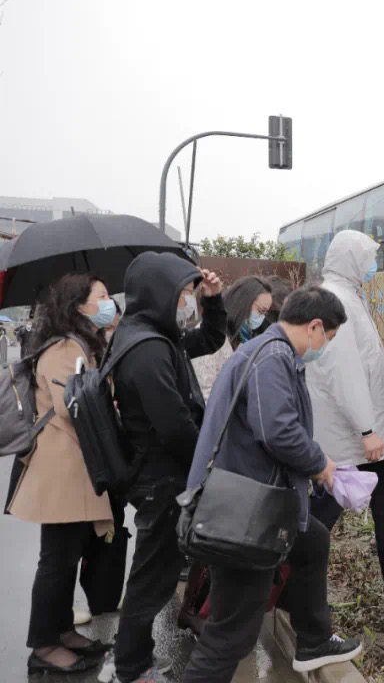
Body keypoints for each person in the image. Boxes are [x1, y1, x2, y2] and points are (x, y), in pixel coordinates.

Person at [180, 286, 361, 682]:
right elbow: (278, 431)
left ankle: (313, 639)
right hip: (248, 515)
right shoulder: (274, 356)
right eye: (327, 338)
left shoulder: (266, 350)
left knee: (312, 540)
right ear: (314, 326)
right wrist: (322, 465)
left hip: (258, 500)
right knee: (230, 635)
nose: (324, 346)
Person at [101, 253, 226, 683]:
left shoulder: (153, 335)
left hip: (159, 474)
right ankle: (132, 667)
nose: (186, 302)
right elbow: (173, 424)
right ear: (159, 294)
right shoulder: (147, 348)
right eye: (183, 294)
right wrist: (207, 461)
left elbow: (209, 339)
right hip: (161, 478)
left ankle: (134, 658)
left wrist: (213, 299)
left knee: (153, 574)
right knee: (151, 580)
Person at [7, 274, 117, 675]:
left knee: (67, 555)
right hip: (60, 467)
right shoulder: (64, 347)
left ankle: (63, 629)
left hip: (72, 465)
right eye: (102, 297)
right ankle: (44, 644)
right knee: (55, 560)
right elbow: (70, 405)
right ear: (78, 306)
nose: (109, 303)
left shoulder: (80, 343)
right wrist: (105, 394)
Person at [304, 230, 384, 592]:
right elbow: (345, 372)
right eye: (369, 258)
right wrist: (366, 430)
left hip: (358, 431)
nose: (374, 266)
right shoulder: (338, 301)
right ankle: (285, 583)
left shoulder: (346, 295)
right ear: (352, 259)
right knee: (325, 510)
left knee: (378, 501)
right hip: (354, 434)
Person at [192, 275, 273, 398]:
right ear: (243, 302)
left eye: (265, 313)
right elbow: (204, 391)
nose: (262, 317)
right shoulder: (209, 335)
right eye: (261, 311)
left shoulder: (248, 337)